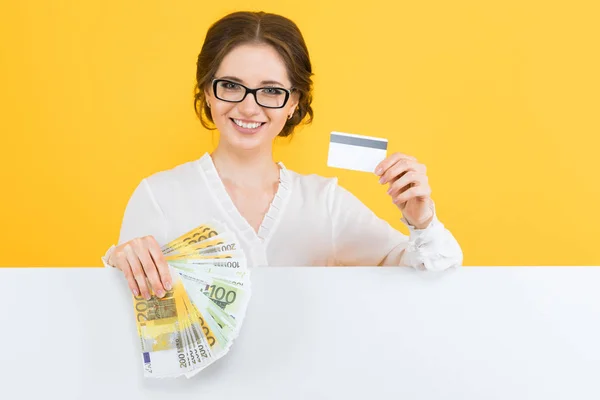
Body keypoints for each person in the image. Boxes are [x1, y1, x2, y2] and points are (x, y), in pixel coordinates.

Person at [101, 11, 463, 300]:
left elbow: (433, 276)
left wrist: (422, 221)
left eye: (271, 91)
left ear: (293, 103)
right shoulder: (159, 196)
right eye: (230, 85)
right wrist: (121, 267)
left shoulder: (325, 204)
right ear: (207, 92)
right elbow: (123, 322)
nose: (248, 106)